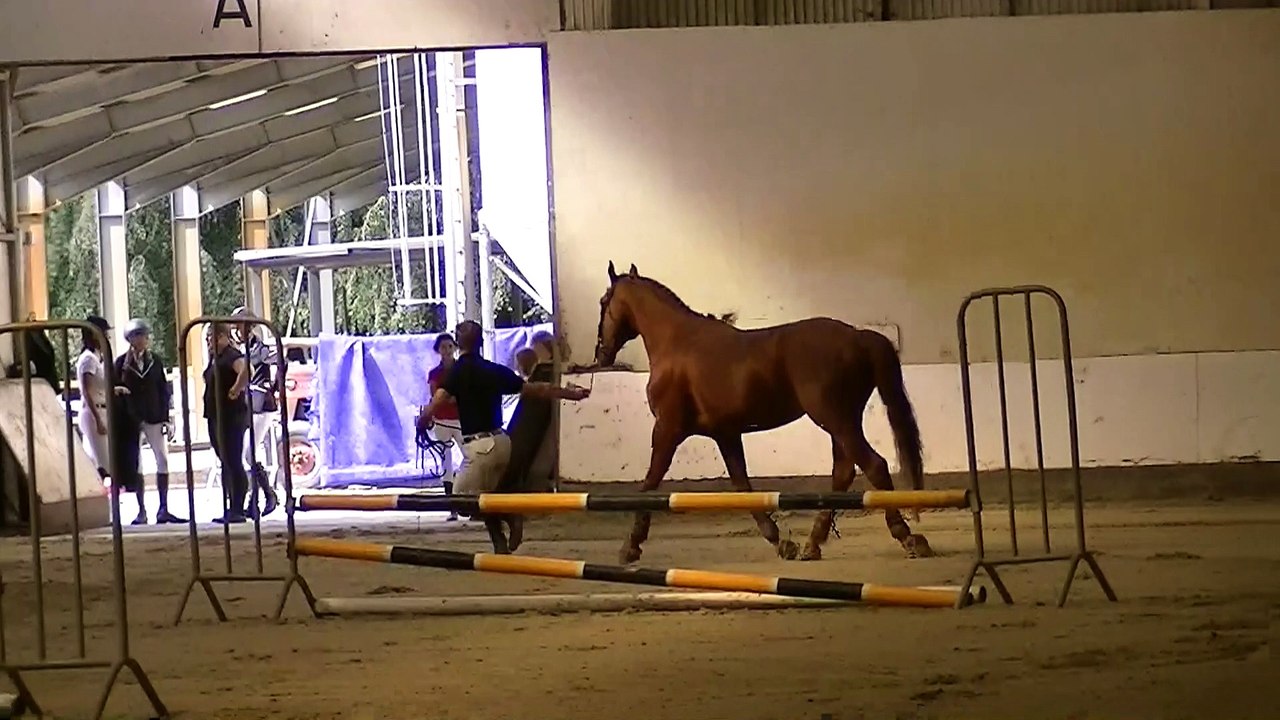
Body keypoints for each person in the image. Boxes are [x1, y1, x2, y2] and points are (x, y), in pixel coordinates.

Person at [417, 321, 591, 554]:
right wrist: (571, 394)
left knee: (459, 500)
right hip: (502, 442)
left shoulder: (457, 372)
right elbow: (537, 389)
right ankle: (499, 543)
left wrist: (422, 421)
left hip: (481, 446)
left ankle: (509, 515)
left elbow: (435, 403)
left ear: (458, 345)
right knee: (485, 495)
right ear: (480, 343)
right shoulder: (493, 370)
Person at [116, 319, 185, 525]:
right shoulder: (121, 363)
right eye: (139, 336)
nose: (144, 340)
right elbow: (115, 388)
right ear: (131, 339)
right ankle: (141, 509)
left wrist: (166, 417)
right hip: (132, 417)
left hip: (154, 415)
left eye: (145, 336)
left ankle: (163, 507)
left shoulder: (155, 360)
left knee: (162, 459)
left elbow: (163, 389)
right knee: (138, 463)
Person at [232, 307, 280, 518]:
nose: (237, 329)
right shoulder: (240, 349)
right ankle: (261, 498)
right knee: (247, 453)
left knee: (249, 452)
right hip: (247, 404)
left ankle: (264, 497)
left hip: (260, 403)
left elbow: (280, 362)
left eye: (241, 325)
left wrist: (273, 388)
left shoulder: (259, 348)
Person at [203, 322, 251, 524]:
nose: (209, 343)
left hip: (231, 416)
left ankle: (238, 508)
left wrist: (236, 389)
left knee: (233, 461)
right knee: (225, 461)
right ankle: (230, 506)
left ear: (222, 336)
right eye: (207, 339)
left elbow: (247, 369)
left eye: (212, 338)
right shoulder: (216, 359)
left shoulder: (231, 354)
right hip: (216, 415)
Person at [75, 315, 117, 482]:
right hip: (95, 412)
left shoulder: (97, 358)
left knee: (96, 459)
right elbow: (87, 391)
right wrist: (98, 419)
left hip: (101, 409)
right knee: (103, 464)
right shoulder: (88, 360)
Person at [426, 332, 463, 522]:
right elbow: (436, 397)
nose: (447, 351)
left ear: (455, 348)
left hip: (460, 420)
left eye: (449, 346)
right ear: (438, 350)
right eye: (443, 347)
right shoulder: (434, 374)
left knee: (471, 457)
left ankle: (464, 497)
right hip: (442, 420)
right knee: (445, 464)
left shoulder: (462, 370)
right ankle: (452, 507)